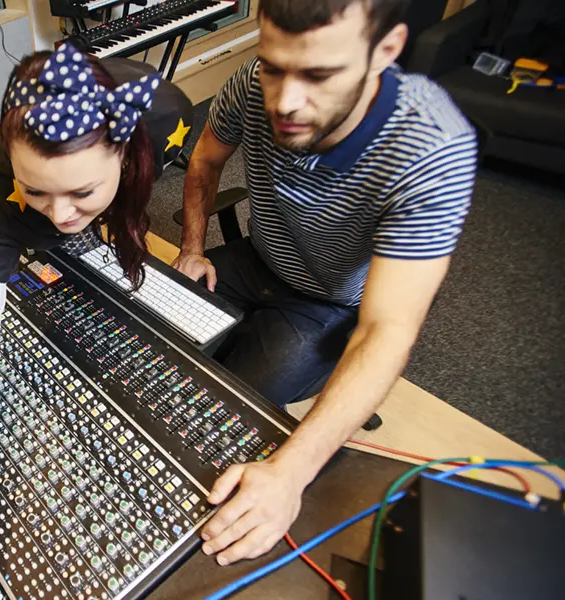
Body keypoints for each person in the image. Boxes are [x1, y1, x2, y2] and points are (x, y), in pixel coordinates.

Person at [171, 0, 478, 566]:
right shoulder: (249, 83)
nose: (284, 101)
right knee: (145, 348)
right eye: (274, 66)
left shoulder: (432, 146)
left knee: (221, 423)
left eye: (318, 75)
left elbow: (389, 328)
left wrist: (290, 474)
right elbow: (204, 160)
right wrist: (191, 249)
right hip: (252, 261)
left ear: (385, 51)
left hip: (327, 306)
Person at [0, 43, 194, 590]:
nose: (63, 215)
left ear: (124, 153)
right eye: (37, 190)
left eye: (82, 192)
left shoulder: (165, 113)